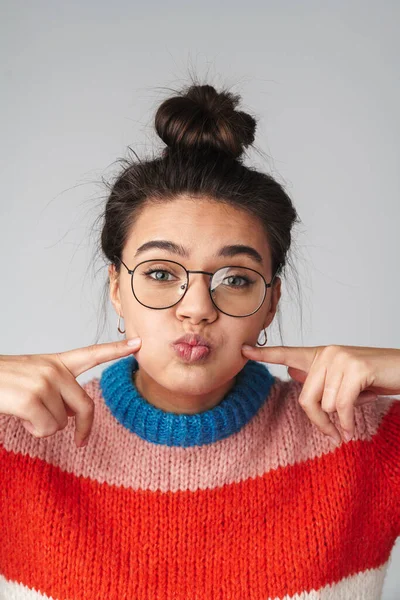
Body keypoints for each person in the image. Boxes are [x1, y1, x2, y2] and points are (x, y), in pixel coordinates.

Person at [0, 81, 399, 600]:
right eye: (162, 273)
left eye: (235, 279)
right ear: (117, 288)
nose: (197, 308)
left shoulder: (362, 441)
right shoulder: (15, 442)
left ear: (271, 302)